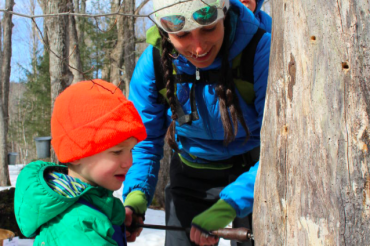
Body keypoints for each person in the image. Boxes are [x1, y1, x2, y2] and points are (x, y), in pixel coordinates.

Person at [123, 0, 271, 245]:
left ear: (224, 14)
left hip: (255, 170)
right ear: (165, 31)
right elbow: (144, 140)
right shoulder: (155, 63)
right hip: (190, 175)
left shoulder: (259, 51)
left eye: (208, 28)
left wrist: (232, 203)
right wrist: (137, 195)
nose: (199, 47)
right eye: (182, 34)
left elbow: (280, 148)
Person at [14, 79, 147, 246]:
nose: (129, 162)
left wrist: (116, 221)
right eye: (117, 151)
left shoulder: (91, 202)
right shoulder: (80, 228)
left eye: (131, 150)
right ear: (76, 154)